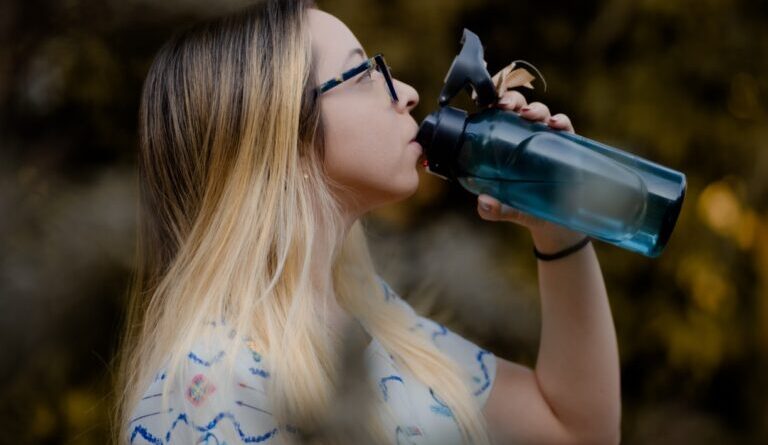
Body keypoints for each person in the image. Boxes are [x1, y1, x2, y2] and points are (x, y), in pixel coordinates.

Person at [113, 1, 621, 444]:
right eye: (363, 75)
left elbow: (575, 429)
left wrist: (556, 223)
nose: (405, 92)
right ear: (278, 130)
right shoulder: (217, 381)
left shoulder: (377, 323)